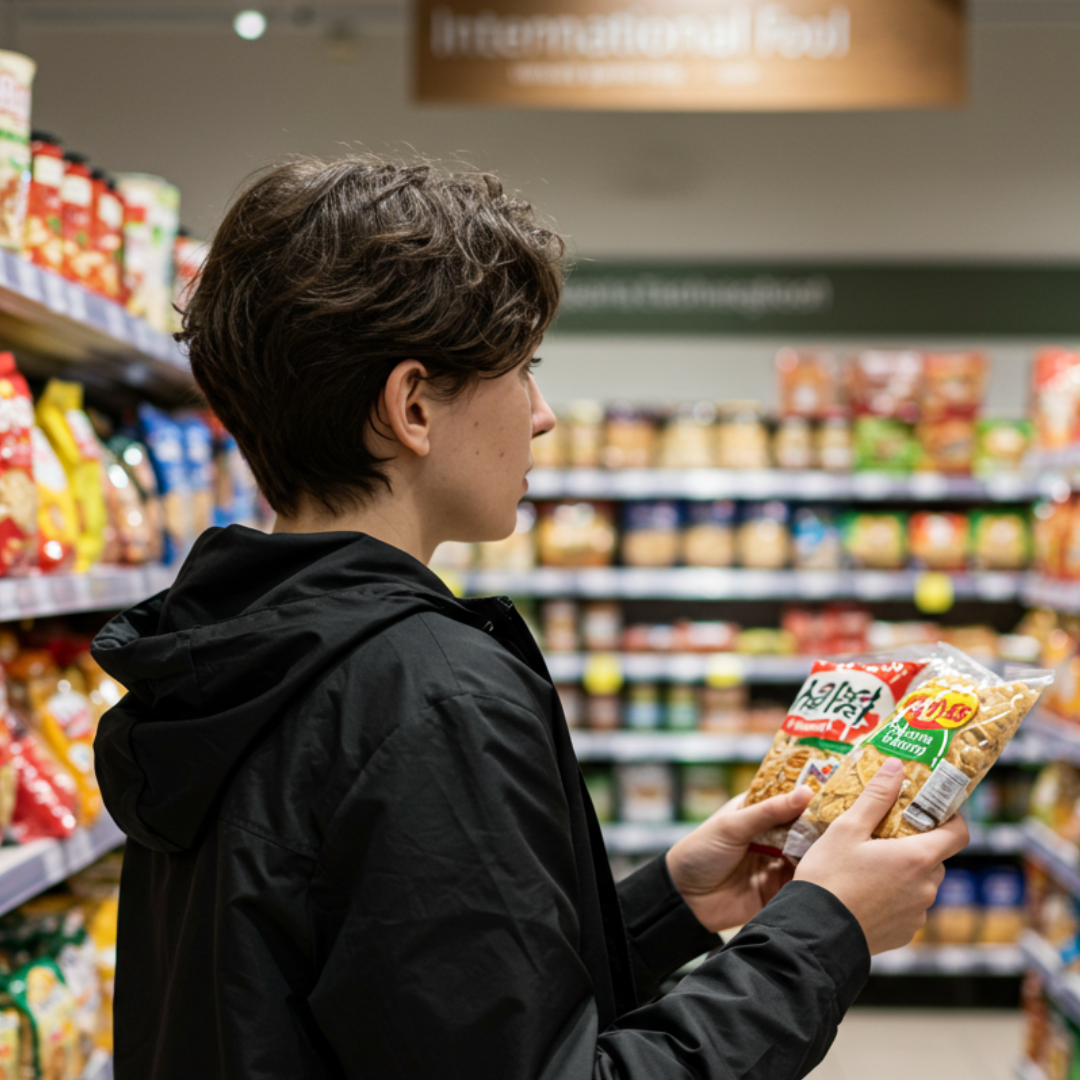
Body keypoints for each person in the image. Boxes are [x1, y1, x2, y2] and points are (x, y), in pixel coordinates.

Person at [91, 156, 968, 1080]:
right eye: (525, 370)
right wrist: (827, 932)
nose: (544, 416)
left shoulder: (228, 651)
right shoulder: (430, 699)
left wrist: (669, 904)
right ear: (413, 405)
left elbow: (421, 1011)